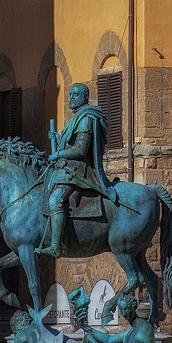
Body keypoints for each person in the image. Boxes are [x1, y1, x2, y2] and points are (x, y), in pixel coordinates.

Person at [35, 83, 118, 258]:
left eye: (76, 94)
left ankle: (55, 246)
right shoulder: (77, 117)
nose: (71, 98)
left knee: (55, 200)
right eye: (71, 94)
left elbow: (80, 150)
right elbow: (71, 144)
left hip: (78, 170)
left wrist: (57, 154)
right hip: (67, 166)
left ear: (84, 97)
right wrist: (59, 139)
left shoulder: (86, 117)